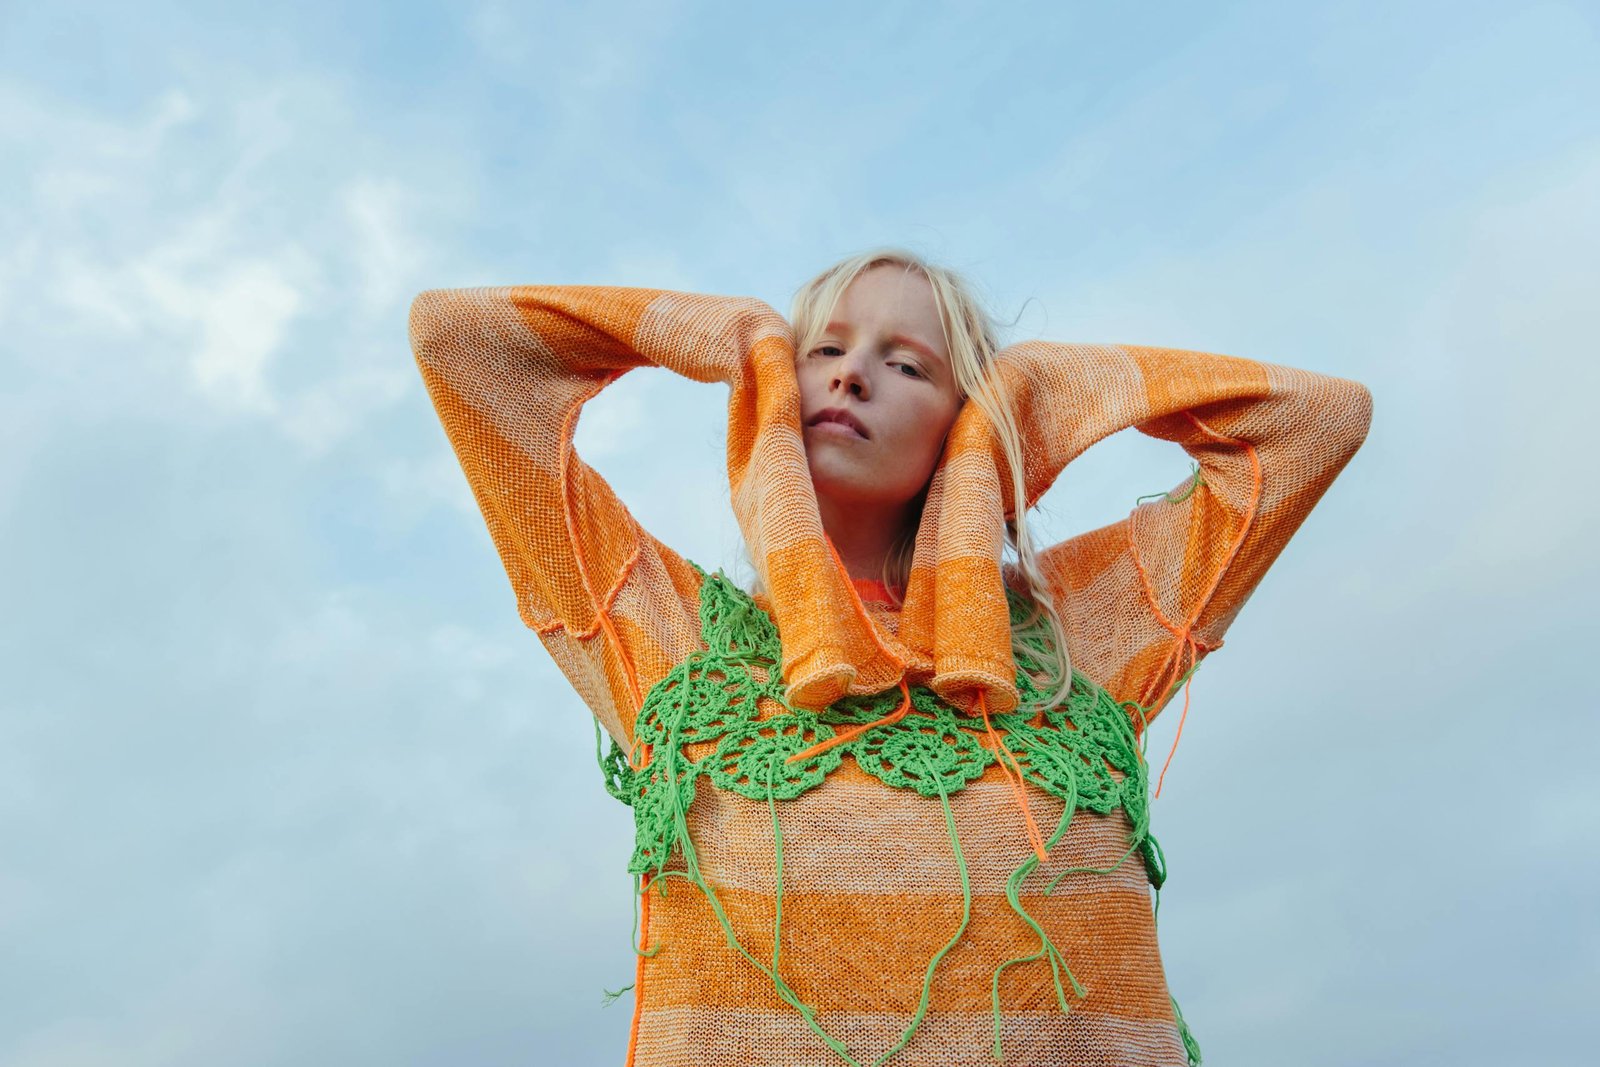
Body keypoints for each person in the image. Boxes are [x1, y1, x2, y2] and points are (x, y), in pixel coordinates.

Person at [407, 249, 1373, 1067]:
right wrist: (736, 339)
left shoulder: (1074, 634)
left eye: (907, 364)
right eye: (821, 349)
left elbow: (1314, 422)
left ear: (970, 423)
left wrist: (1033, 395)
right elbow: (463, 343)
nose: (847, 374)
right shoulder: (664, 634)